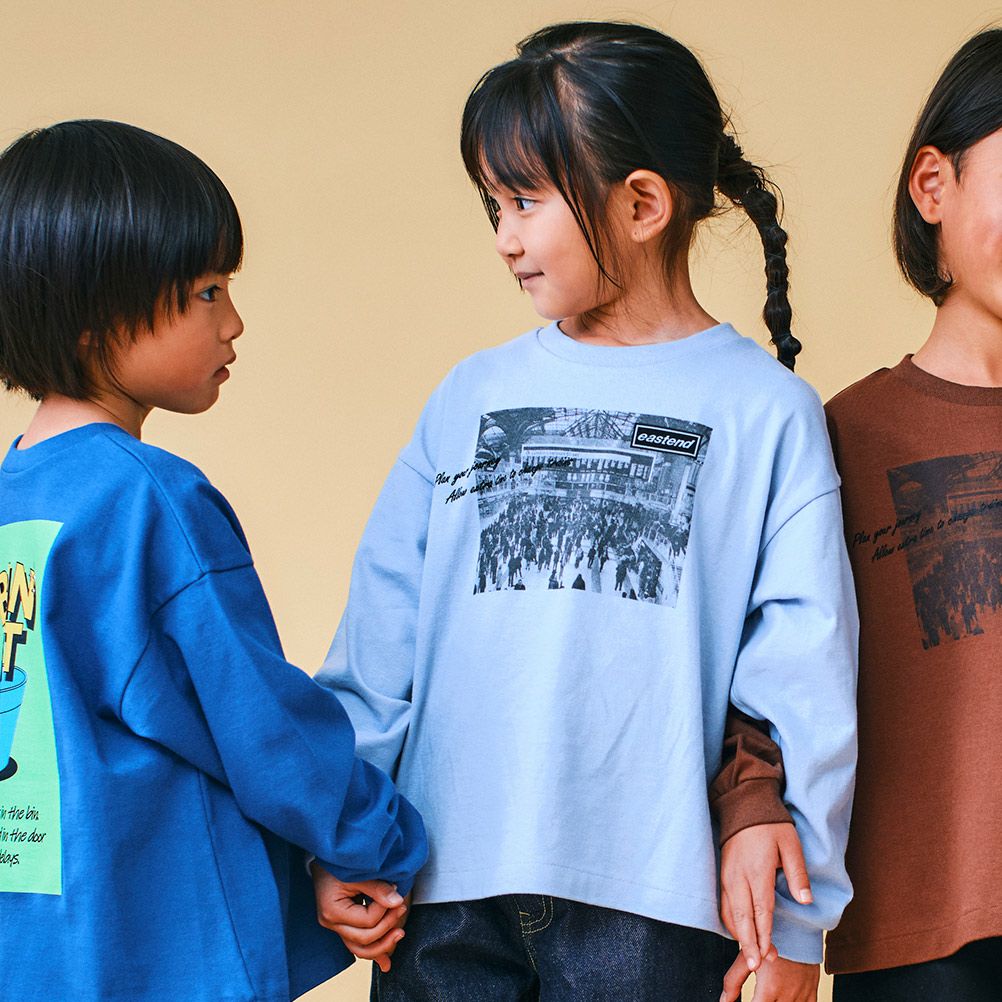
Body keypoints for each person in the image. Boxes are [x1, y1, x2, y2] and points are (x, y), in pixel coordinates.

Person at [315, 22, 857, 1001]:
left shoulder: (765, 412)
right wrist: (343, 835)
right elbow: (379, 639)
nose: (505, 237)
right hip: (442, 891)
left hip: (654, 904)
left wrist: (795, 920)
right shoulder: (469, 395)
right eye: (495, 204)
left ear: (642, 203)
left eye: (525, 201)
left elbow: (803, 670)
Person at [0, 120, 427, 1001]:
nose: (233, 322)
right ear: (96, 314)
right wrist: (371, 842)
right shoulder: (147, 498)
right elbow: (260, 723)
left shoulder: (16, 500)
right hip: (159, 959)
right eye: (206, 290)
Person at [717, 27, 1002, 1002]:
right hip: (924, 943)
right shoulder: (843, 437)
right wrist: (780, 901)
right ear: (934, 185)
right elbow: (764, 684)